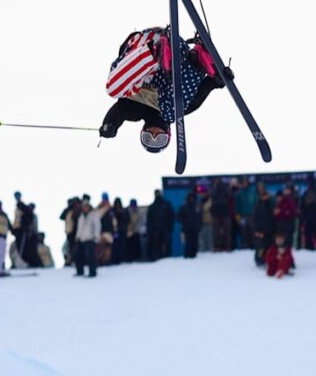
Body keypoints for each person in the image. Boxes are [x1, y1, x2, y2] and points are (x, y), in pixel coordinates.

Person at [98, 27, 227, 154]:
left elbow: (119, 111)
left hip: (143, 49)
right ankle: (198, 60)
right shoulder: (178, 108)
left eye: (148, 138)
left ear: (143, 131)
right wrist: (220, 79)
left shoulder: (134, 111)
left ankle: (153, 52)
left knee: (113, 90)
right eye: (160, 139)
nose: (154, 134)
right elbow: (203, 89)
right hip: (175, 55)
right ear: (168, 133)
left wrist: (110, 125)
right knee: (174, 110)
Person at [74, 198, 100, 278]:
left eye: (86, 206)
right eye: (84, 206)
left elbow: (97, 226)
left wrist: (96, 236)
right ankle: (80, 271)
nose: (85, 208)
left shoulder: (94, 215)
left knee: (90, 256)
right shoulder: (81, 216)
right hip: (81, 239)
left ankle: (93, 272)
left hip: (90, 238)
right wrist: (77, 237)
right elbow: (79, 228)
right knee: (77, 255)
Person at [146, 190, 174, 260]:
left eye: (158, 193)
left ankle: (167, 259)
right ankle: (158, 259)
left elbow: (172, 216)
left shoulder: (167, 204)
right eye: (156, 194)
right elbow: (149, 220)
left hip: (166, 229)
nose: (157, 195)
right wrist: (151, 230)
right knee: (156, 245)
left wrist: (169, 227)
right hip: (156, 230)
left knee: (167, 244)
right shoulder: (152, 206)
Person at [252, 184, 276, 266]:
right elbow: (255, 219)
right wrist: (256, 230)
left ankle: (267, 259)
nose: (265, 197)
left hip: (269, 229)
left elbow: (272, 217)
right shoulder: (258, 205)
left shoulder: (271, 204)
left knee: (268, 246)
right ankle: (259, 260)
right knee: (260, 247)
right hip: (260, 230)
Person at [299, 178, 316, 251]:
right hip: (308, 215)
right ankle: (309, 247)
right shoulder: (306, 193)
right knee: (308, 233)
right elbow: (302, 205)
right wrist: (303, 215)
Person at [210, 179, 234, 252]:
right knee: (216, 231)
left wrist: (226, 188)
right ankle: (217, 246)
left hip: (225, 212)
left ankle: (227, 246)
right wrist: (215, 187)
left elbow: (230, 195)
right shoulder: (213, 189)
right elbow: (211, 195)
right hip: (216, 212)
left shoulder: (225, 188)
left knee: (226, 230)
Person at [234, 177, 257, 251]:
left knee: (253, 230)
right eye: (243, 182)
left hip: (252, 215)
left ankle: (253, 244)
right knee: (244, 231)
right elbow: (236, 206)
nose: (244, 184)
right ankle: (245, 245)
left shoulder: (252, 192)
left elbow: (256, 203)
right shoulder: (238, 194)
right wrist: (238, 216)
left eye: (245, 182)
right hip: (242, 216)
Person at [177, 193, 202, 259]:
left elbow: (200, 218)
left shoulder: (197, 207)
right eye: (190, 198)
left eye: (193, 198)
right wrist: (184, 221)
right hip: (186, 229)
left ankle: (194, 256)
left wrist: (199, 226)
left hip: (195, 229)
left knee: (195, 243)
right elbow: (177, 217)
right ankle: (186, 257)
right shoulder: (184, 207)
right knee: (188, 243)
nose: (192, 199)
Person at [275, 184, 298, 248]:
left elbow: (293, 212)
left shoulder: (289, 200)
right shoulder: (278, 203)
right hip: (280, 226)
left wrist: (282, 212)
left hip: (288, 225)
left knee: (288, 243)